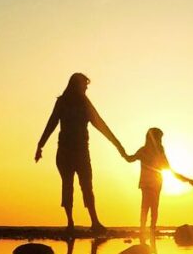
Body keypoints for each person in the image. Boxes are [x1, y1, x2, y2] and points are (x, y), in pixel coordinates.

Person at [35, 73, 127, 232]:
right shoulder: (62, 103)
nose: (86, 88)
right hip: (65, 152)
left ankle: (95, 222)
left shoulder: (85, 104)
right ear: (76, 85)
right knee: (68, 185)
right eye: (84, 85)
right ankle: (70, 222)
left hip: (82, 152)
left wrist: (117, 145)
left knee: (87, 186)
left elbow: (100, 124)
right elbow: (52, 123)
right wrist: (40, 145)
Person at [124, 128, 169, 236]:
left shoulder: (145, 150)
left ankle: (145, 229)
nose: (160, 140)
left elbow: (130, 159)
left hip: (151, 182)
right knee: (152, 206)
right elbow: (166, 165)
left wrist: (125, 155)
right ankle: (149, 229)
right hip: (153, 182)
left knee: (147, 206)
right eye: (159, 138)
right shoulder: (156, 150)